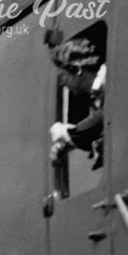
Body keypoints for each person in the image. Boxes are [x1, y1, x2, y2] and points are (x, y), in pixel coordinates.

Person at [49, 37, 105, 169]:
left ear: (77, 70)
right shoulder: (98, 95)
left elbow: (106, 114)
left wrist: (68, 134)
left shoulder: (114, 81)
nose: (63, 83)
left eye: (63, 77)